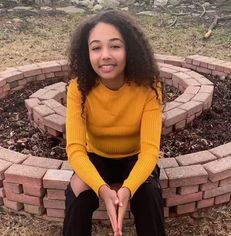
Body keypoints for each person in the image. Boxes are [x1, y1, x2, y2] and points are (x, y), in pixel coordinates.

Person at [63, 9, 166, 236]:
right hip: (97, 157)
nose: (105, 55)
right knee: (78, 190)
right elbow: (76, 150)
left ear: (130, 49)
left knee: (148, 193)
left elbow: (150, 151)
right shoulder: (78, 89)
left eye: (115, 46)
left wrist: (127, 189)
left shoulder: (149, 87)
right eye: (96, 47)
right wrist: (102, 190)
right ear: (86, 53)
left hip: (135, 158)